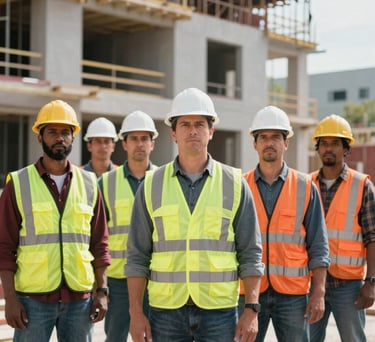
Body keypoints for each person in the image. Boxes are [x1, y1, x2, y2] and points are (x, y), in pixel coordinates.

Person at [125, 87, 264, 342]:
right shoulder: (151, 184)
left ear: (211, 131)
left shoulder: (234, 183)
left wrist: (251, 310)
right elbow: (137, 255)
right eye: (185, 124)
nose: (192, 131)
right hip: (165, 310)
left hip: (219, 311)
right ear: (173, 133)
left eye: (200, 124)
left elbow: (250, 252)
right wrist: (135, 312)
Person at [0, 100, 111, 342]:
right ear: (40, 137)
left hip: (79, 302)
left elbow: (100, 244)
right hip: (32, 301)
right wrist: (10, 299)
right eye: (52, 132)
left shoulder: (90, 184)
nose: (59, 138)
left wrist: (102, 292)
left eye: (65, 132)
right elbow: (4, 247)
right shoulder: (18, 184)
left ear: (73, 138)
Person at [243, 105, 330, 342]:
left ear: (286, 143)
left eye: (276, 137)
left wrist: (319, 292)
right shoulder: (240, 187)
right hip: (250, 293)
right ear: (255, 143)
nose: (269, 142)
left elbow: (319, 246)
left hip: (293, 295)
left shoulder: (305, 187)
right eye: (263, 137)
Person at [310, 114, 375, 342]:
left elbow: (372, 238)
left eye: (335, 143)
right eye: (324, 143)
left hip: (349, 286)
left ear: (346, 149)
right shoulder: (305, 185)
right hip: (311, 282)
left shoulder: (362, 186)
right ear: (318, 148)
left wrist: (371, 283)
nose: (329, 148)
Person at [99, 110, 158, 341]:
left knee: (155, 336)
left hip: (156, 278)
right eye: (134, 138)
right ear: (124, 143)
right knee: (116, 337)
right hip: (118, 280)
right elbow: (98, 238)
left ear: (152, 144)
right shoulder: (106, 183)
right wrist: (100, 283)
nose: (140, 144)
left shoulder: (165, 179)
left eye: (145, 139)